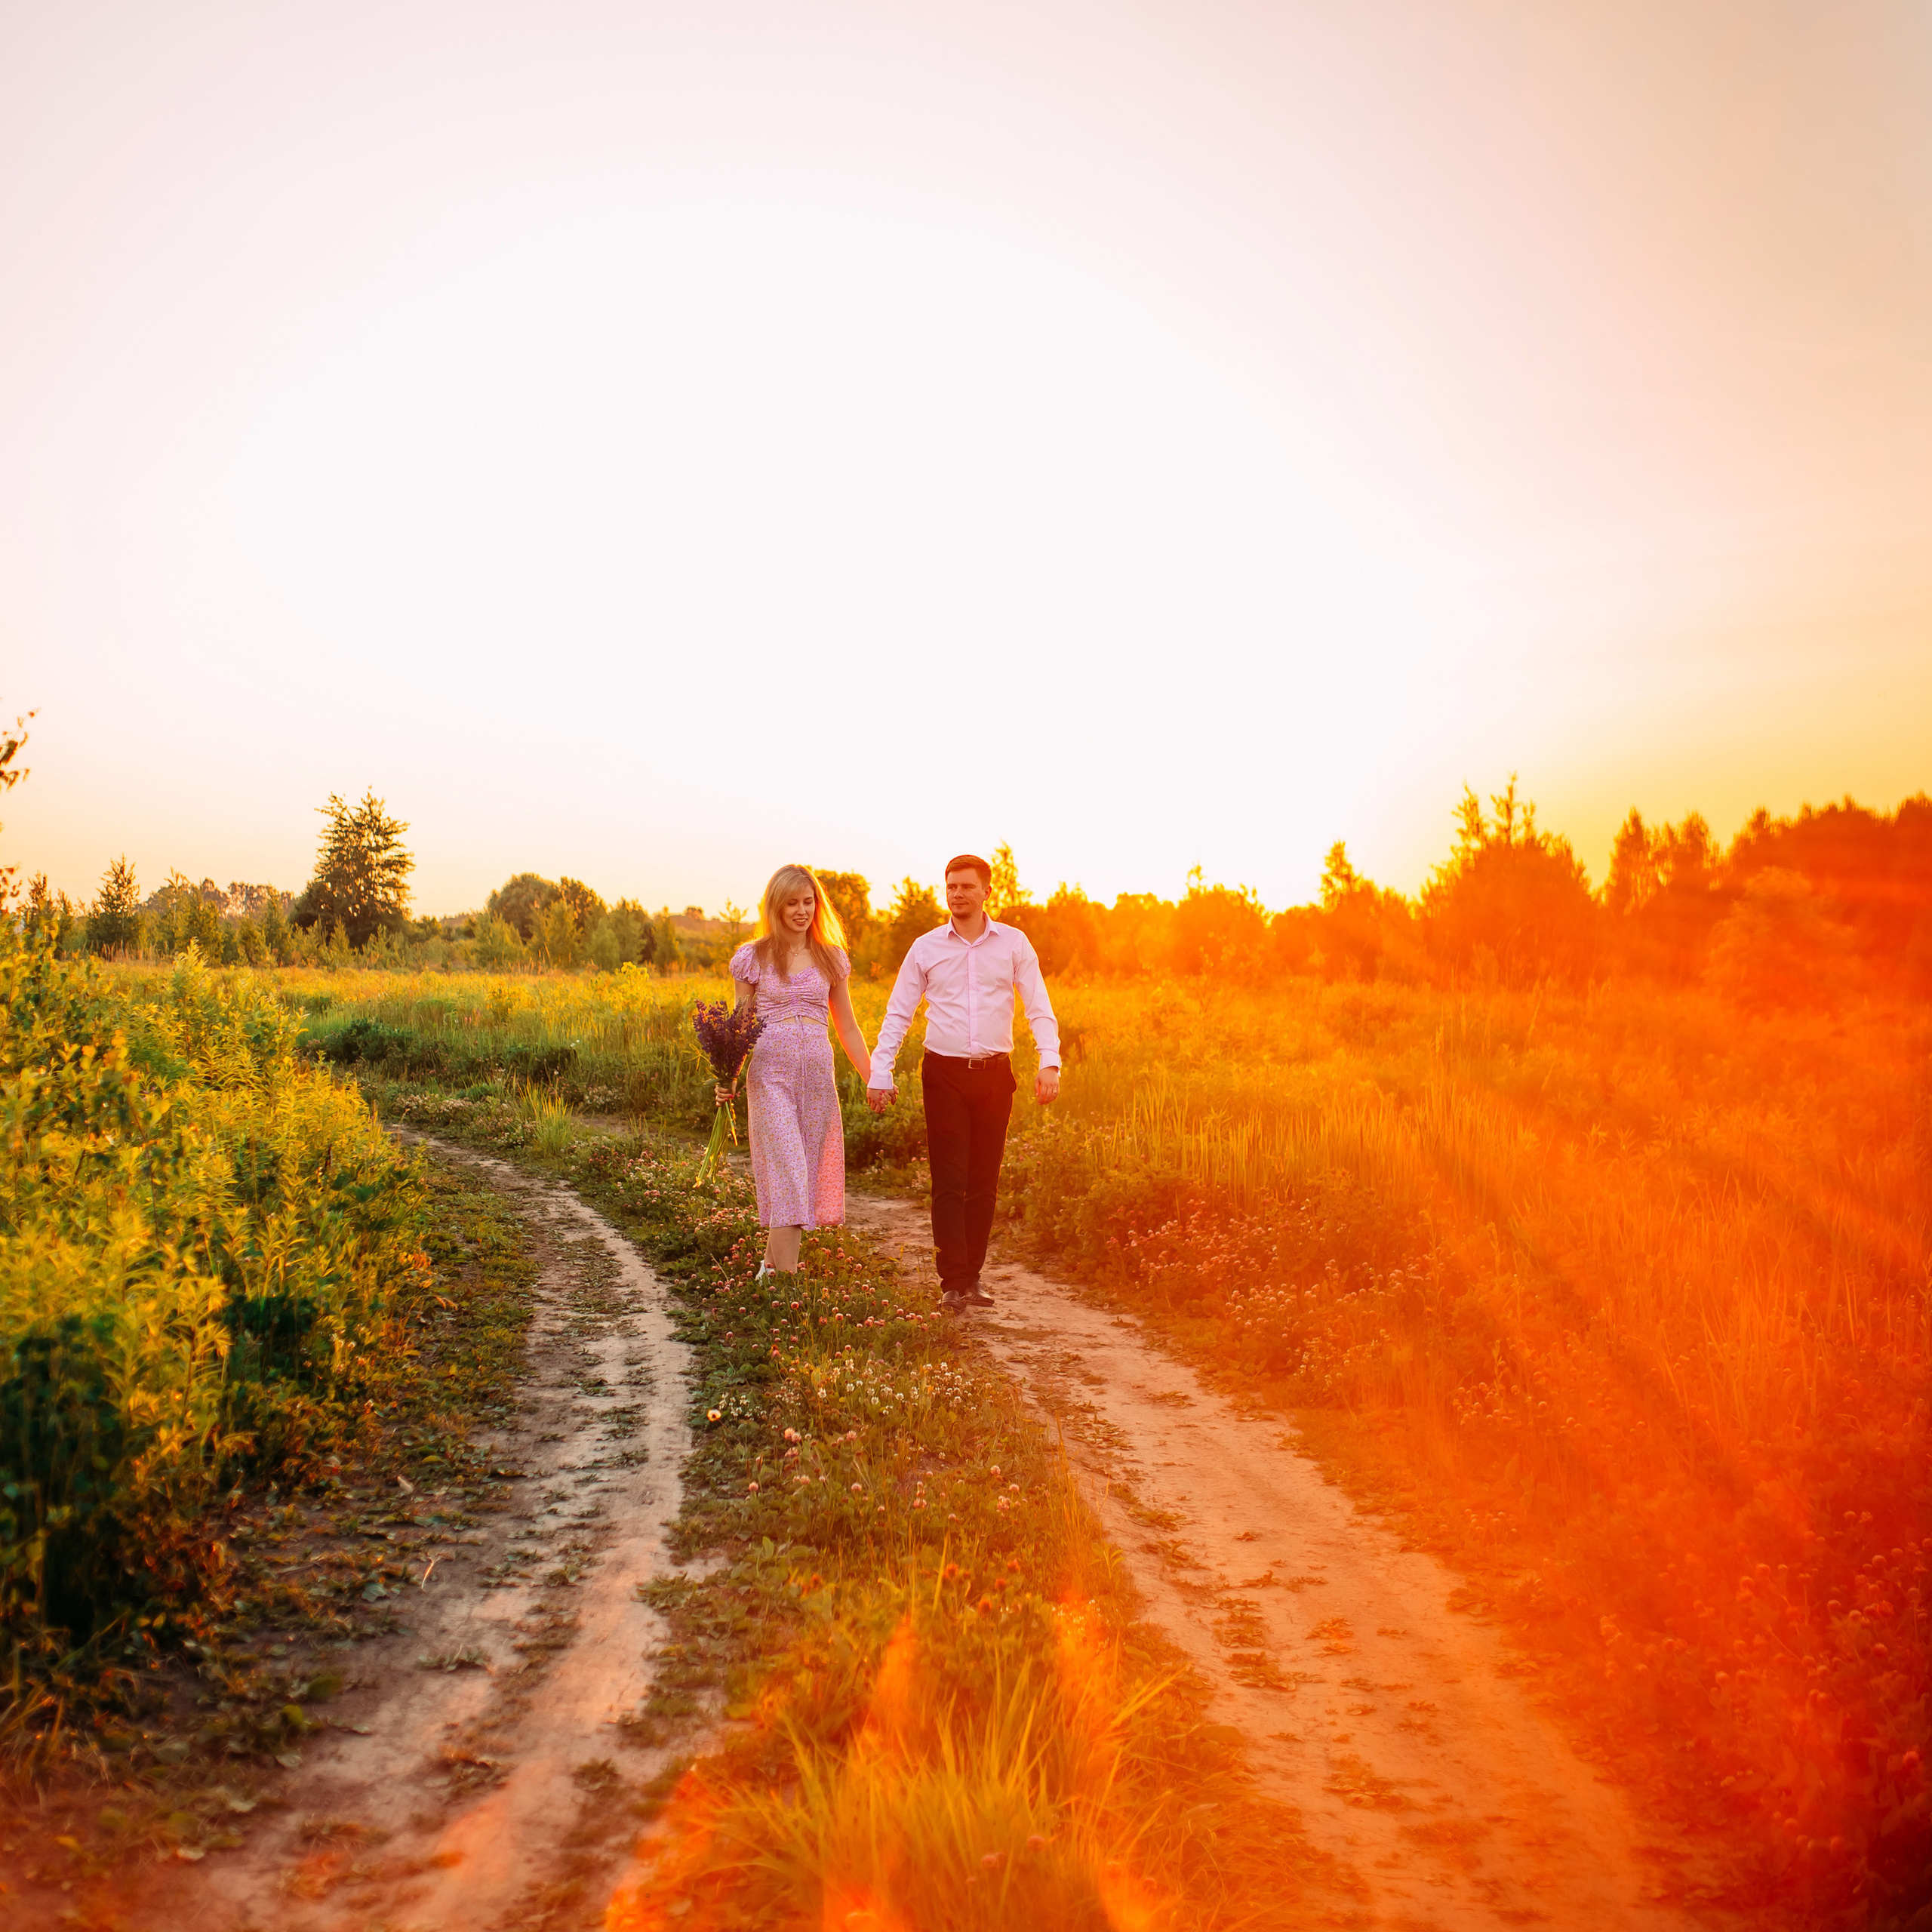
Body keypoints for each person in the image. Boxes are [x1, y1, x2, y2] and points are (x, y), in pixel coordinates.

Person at [866, 854, 1061, 1310]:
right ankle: (952, 1280)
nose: (958, 893)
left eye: (967, 886)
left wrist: (1049, 1060)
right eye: (951, 886)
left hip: (996, 1077)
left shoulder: (1014, 944)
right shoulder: (926, 947)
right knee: (950, 1181)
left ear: (987, 892)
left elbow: (1038, 1005)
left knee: (984, 1182)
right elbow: (899, 1012)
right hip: (945, 1075)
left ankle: (973, 1277)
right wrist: (881, 1070)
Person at [718, 864, 874, 1281]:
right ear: (776, 905)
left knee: (801, 1177)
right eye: (792, 903)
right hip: (771, 1077)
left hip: (818, 1082)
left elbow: (849, 1026)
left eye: (808, 901)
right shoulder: (753, 957)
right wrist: (728, 1077)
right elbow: (741, 1023)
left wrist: (873, 1075)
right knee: (788, 1171)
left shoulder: (831, 957)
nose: (802, 910)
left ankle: (770, 1270)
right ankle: (786, 1286)